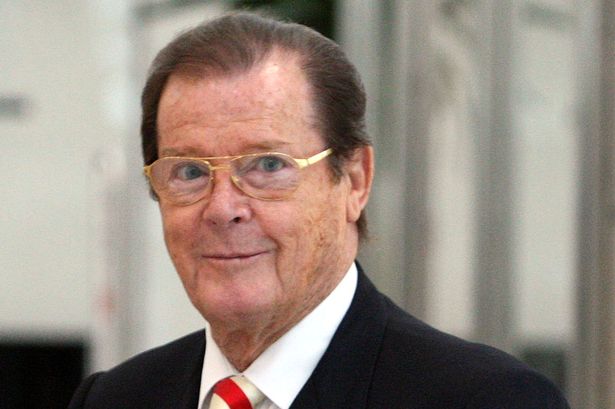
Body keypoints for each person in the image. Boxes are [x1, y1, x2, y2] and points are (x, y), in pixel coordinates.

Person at [68, 12, 570, 409]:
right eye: (190, 171)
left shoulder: (486, 399)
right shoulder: (116, 398)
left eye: (268, 165)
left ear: (355, 181)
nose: (223, 209)